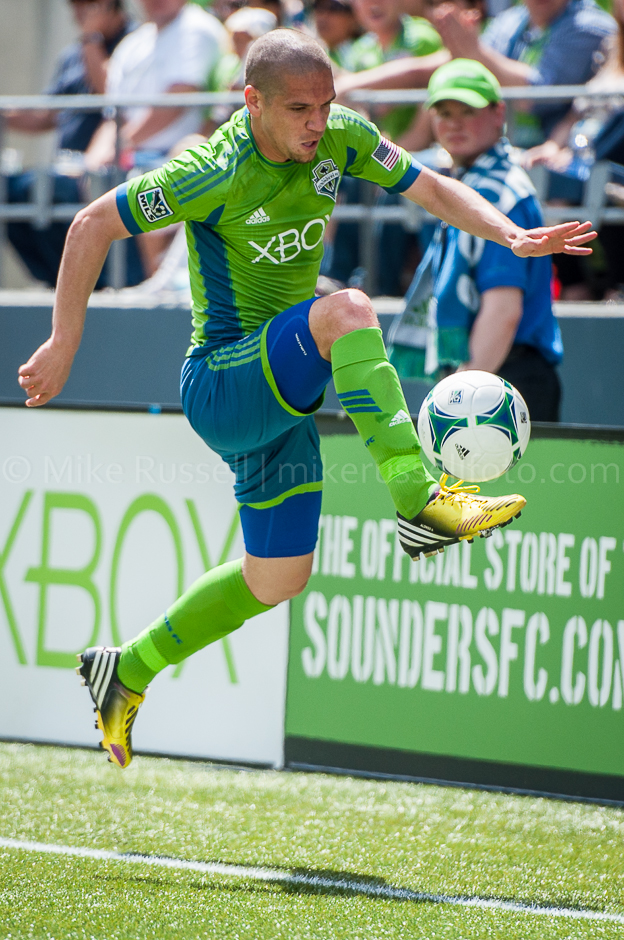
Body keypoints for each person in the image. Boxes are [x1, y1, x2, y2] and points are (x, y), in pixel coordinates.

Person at [17, 30, 594, 769]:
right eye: (300, 109)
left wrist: (511, 235)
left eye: (326, 104)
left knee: (278, 576)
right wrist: (64, 342)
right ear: (252, 102)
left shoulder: (339, 135)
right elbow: (92, 222)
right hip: (224, 380)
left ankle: (125, 668)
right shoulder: (213, 168)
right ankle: (420, 504)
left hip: (278, 395)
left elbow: (427, 186)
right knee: (347, 309)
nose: (318, 122)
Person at [389, 59, 563, 421]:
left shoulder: (500, 195)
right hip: (490, 378)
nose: (454, 123)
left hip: (502, 382)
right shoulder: (473, 185)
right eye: (444, 112)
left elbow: (503, 312)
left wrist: (456, 402)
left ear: (499, 114)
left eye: (468, 111)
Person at [5, 0, 134, 287]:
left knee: (47, 192)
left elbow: (113, 97)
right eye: (75, 5)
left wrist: (91, 40)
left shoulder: (134, 42)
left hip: (105, 171)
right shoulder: (71, 55)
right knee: (10, 191)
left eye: (89, 4)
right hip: (64, 169)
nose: (80, 12)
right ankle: (55, 283)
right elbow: (46, 114)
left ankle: (90, 286)